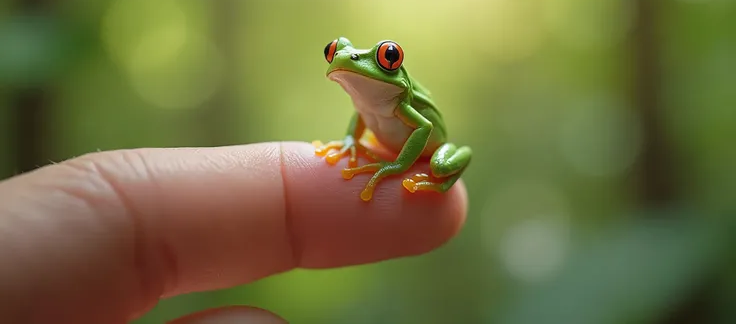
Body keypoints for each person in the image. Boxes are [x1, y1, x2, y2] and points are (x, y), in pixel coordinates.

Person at [0, 141, 467, 323]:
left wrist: (394, 168)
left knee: (444, 164)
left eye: (384, 57)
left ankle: (427, 171)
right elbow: (362, 120)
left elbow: (424, 129)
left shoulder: (404, 103)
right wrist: (352, 142)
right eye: (334, 52)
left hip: (426, 152)